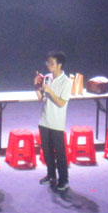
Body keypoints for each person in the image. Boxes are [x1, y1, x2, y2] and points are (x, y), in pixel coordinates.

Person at [36, 51, 72, 191]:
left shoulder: (66, 82)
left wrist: (50, 91)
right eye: (48, 62)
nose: (48, 65)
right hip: (44, 120)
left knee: (60, 153)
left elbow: (61, 103)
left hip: (57, 122)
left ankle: (64, 180)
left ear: (59, 65)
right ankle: (51, 175)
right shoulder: (47, 78)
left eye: (52, 63)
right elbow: (41, 98)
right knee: (47, 151)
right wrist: (37, 86)